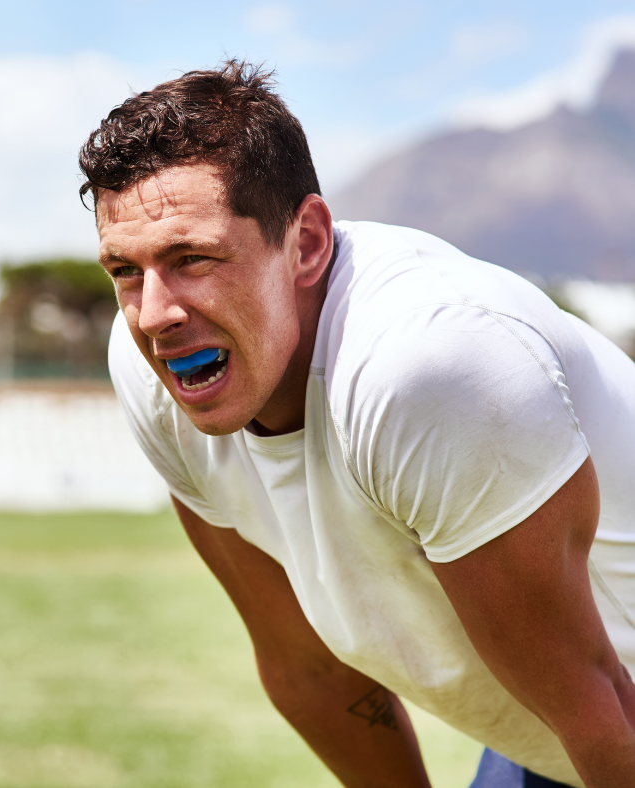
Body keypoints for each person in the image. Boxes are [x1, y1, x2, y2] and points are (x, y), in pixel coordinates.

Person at [77, 60, 635, 788]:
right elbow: (306, 666)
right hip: (567, 730)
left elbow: (601, 705)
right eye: (125, 270)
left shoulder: (426, 363)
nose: (155, 316)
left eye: (193, 258)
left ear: (306, 242)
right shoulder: (160, 372)